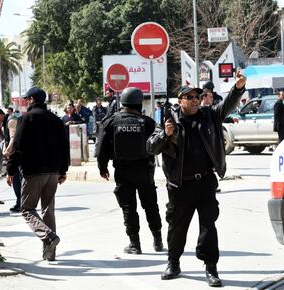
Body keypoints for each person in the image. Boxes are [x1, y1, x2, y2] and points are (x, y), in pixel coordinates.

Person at [147, 71, 246, 287]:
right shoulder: (169, 121)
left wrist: (238, 88)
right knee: (176, 227)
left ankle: (211, 267)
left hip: (205, 183)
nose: (195, 101)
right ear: (180, 101)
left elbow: (227, 105)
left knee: (208, 227)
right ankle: (173, 263)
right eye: (190, 97)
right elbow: (151, 147)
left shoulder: (209, 115)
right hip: (179, 185)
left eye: (197, 97)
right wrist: (165, 134)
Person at [97, 87, 163, 255]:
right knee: (150, 206)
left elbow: (101, 148)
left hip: (123, 171)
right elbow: (158, 144)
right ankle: (158, 241)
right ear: (139, 103)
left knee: (128, 208)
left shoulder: (111, 121)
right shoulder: (147, 122)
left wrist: (102, 168)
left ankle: (135, 244)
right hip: (145, 171)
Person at [6, 87, 69, 261]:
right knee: (48, 210)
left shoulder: (26, 119)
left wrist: (10, 170)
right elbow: (65, 147)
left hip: (33, 172)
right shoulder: (56, 120)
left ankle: (49, 237)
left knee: (27, 209)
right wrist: (63, 170)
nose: (25, 102)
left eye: (26, 100)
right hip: (53, 172)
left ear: (32, 100)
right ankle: (50, 254)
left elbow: (18, 148)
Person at [0, 107, 22, 212]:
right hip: (14, 154)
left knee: (17, 179)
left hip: (17, 155)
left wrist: (7, 151)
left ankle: (21, 203)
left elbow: (13, 137)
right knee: (15, 179)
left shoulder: (11, 120)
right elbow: (6, 140)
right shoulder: (5, 122)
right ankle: (20, 202)